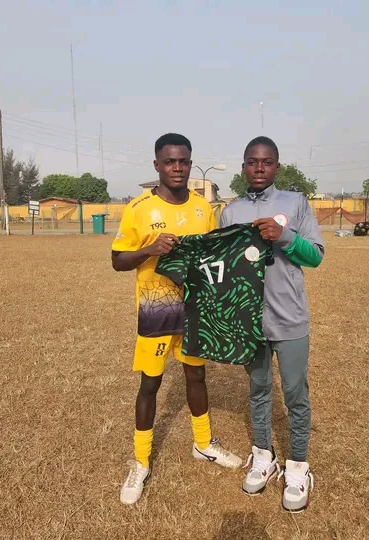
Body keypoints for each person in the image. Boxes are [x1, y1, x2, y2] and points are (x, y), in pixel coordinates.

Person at [111, 133, 241, 506]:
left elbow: (214, 256)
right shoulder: (138, 208)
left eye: (183, 161)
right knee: (150, 384)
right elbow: (118, 260)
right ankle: (140, 462)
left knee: (196, 375)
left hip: (195, 307)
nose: (178, 168)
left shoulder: (202, 208)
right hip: (157, 308)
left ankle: (203, 443)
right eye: (170, 161)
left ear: (190, 164)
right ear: (157, 165)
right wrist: (149, 249)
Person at [220, 136, 324, 513]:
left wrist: (285, 236)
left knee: (295, 394)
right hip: (250, 323)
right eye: (252, 162)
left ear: (277, 166)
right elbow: (223, 268)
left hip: (290, 318)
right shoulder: (230, 212)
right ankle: (264, 456)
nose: (259, 168)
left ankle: (297, 467)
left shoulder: (295, 203)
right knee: (259, 389)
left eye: (266, 162)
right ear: (243, 167)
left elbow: (315, 256)